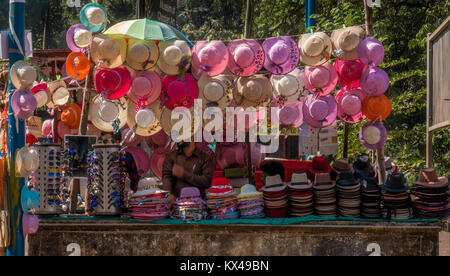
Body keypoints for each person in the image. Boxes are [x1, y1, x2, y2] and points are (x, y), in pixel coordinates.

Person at [162, 137, 214, 208]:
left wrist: (184, 174)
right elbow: (166, 177)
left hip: (198, 207)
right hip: (176, 207)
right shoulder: (171, 157)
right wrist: (168, 194)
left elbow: (207, 181)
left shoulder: (205, 157)